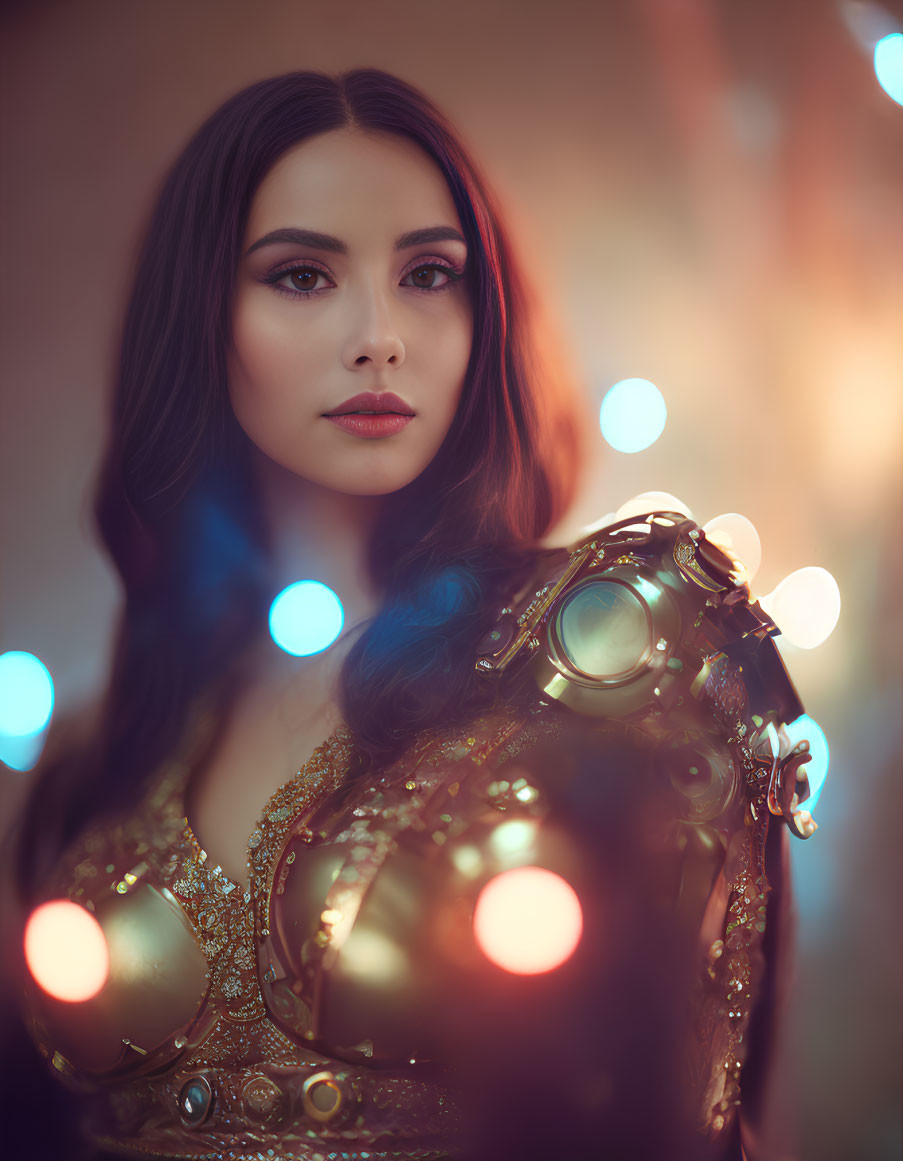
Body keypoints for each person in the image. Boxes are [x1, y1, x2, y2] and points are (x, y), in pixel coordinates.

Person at [6, 68, 812, 1161]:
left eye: (430, 274)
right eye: (301, 276)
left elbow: (679, 1119)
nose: (380, 334)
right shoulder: (99, 759)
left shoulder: (621, 641)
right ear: (200, 314)